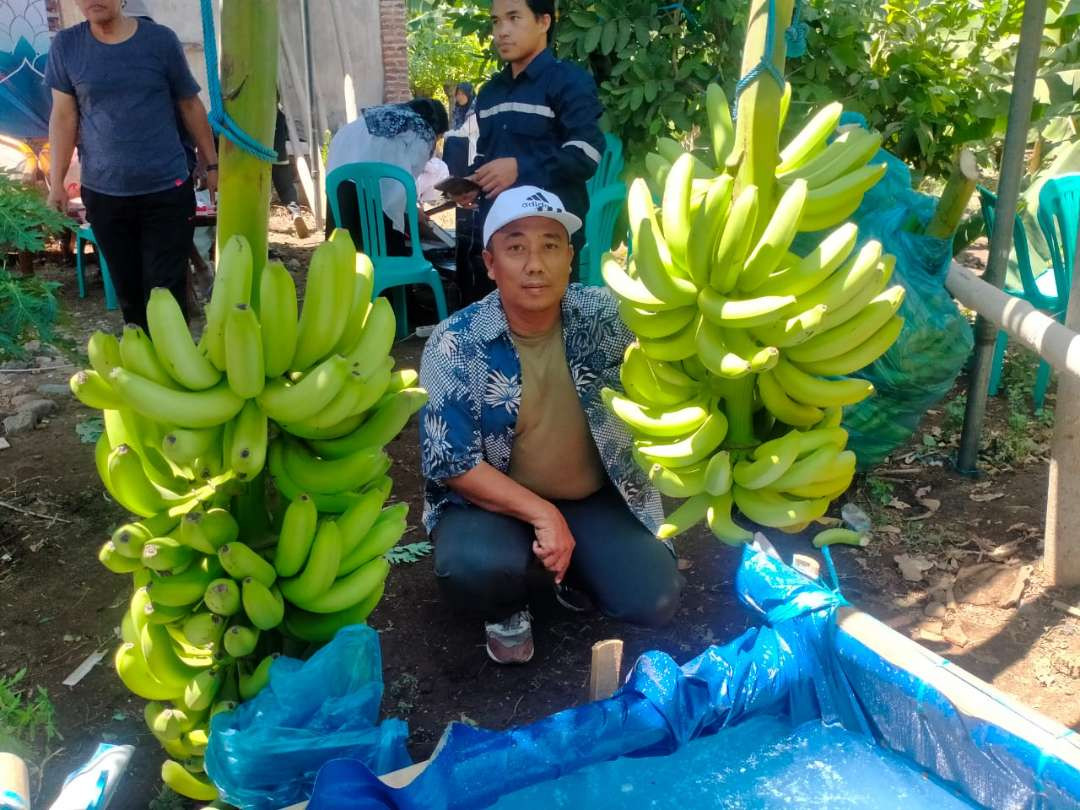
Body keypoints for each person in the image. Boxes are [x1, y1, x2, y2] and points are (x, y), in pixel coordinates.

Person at [419, 186, 682, 665]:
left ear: (570, 258)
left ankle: (570, 565)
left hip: (591, 498)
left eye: (550, 245)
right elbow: (452, 464)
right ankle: (510, 603)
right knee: (472, 567)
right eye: (516, 247)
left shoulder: (607, 316)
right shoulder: (456, 342)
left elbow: (674, 354)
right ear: (491, 263)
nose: (534, 264)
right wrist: (543, 513)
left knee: (655, 599)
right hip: (493, 505)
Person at [45, 0, 217, 330]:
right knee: (130, 293)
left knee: (166, 290)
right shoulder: (67, 46)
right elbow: (64, 117)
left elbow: (189, 104)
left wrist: (212, 164)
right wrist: (56, 184)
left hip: (167, 188)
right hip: (104, 192)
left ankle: (175, 368)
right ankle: (143, 369)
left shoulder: (159, 40)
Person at [456, 0, 605, 282]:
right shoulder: (490, 93)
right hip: (500, 234)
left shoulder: (569, 82)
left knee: (552, 322)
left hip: (551, 237)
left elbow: (586, 154)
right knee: (503, 321)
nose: (502, 31)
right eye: (496, 21)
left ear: (543, 22)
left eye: (514, 18)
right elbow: (489, 155)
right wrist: (475, 182)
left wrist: (520, 169)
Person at [325, 98, 448, 255]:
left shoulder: (380, 115)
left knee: (345, 254)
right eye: (439, 138)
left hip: (339, 190)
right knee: (384, 250)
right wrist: (412, 209)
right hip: (372, 200)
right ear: (436, 128)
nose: (436, 143)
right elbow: (405, 181)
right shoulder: (421, 129)